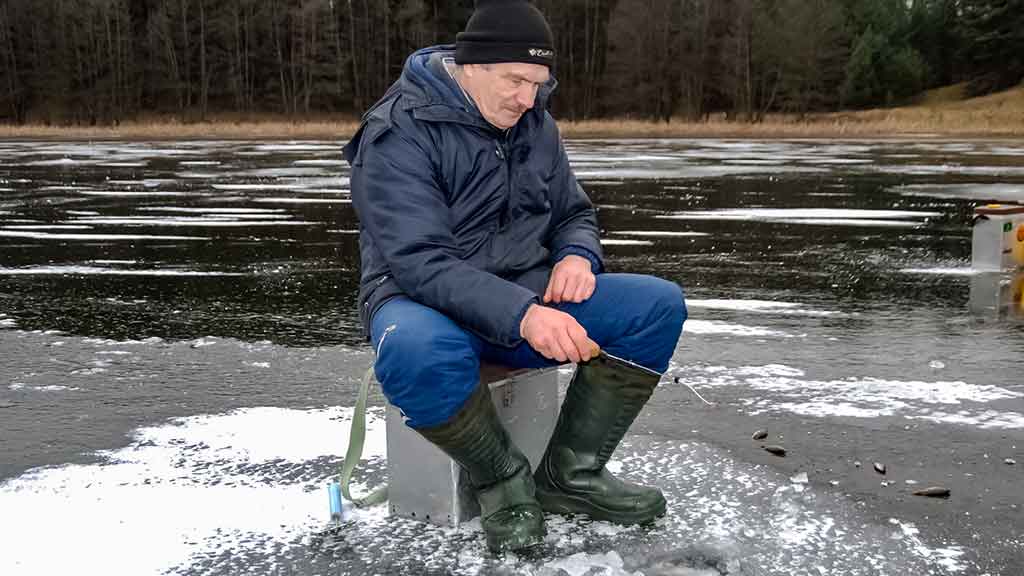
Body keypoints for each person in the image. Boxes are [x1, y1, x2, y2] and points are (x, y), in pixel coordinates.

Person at [343, 0, 686, 553]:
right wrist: (523, 315)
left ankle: (571, 477)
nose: (528, 98)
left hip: (524, 288)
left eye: (539, 83)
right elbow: (419, 260)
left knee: (656, 306)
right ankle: (503, 483)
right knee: (414, 350)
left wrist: (577, 255)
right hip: (418, 298)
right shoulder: (397, 132)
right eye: (516, 80)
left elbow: (574, 212)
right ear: (472, 64)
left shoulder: (535, 125)